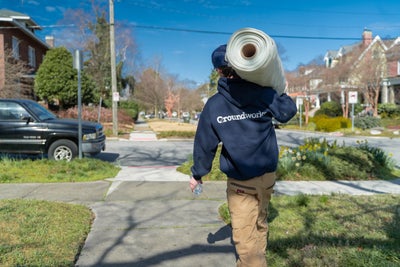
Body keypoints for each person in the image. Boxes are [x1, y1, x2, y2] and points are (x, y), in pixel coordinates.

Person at [189, 44, 297, 267]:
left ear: (218, 71)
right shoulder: (264, 94)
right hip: (267, 177)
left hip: (240, 184)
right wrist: (279, 89)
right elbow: (287, 112)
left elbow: (204, 144)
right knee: (259, 224)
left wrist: (198, 174)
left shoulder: (214, 105)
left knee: (244, 239)